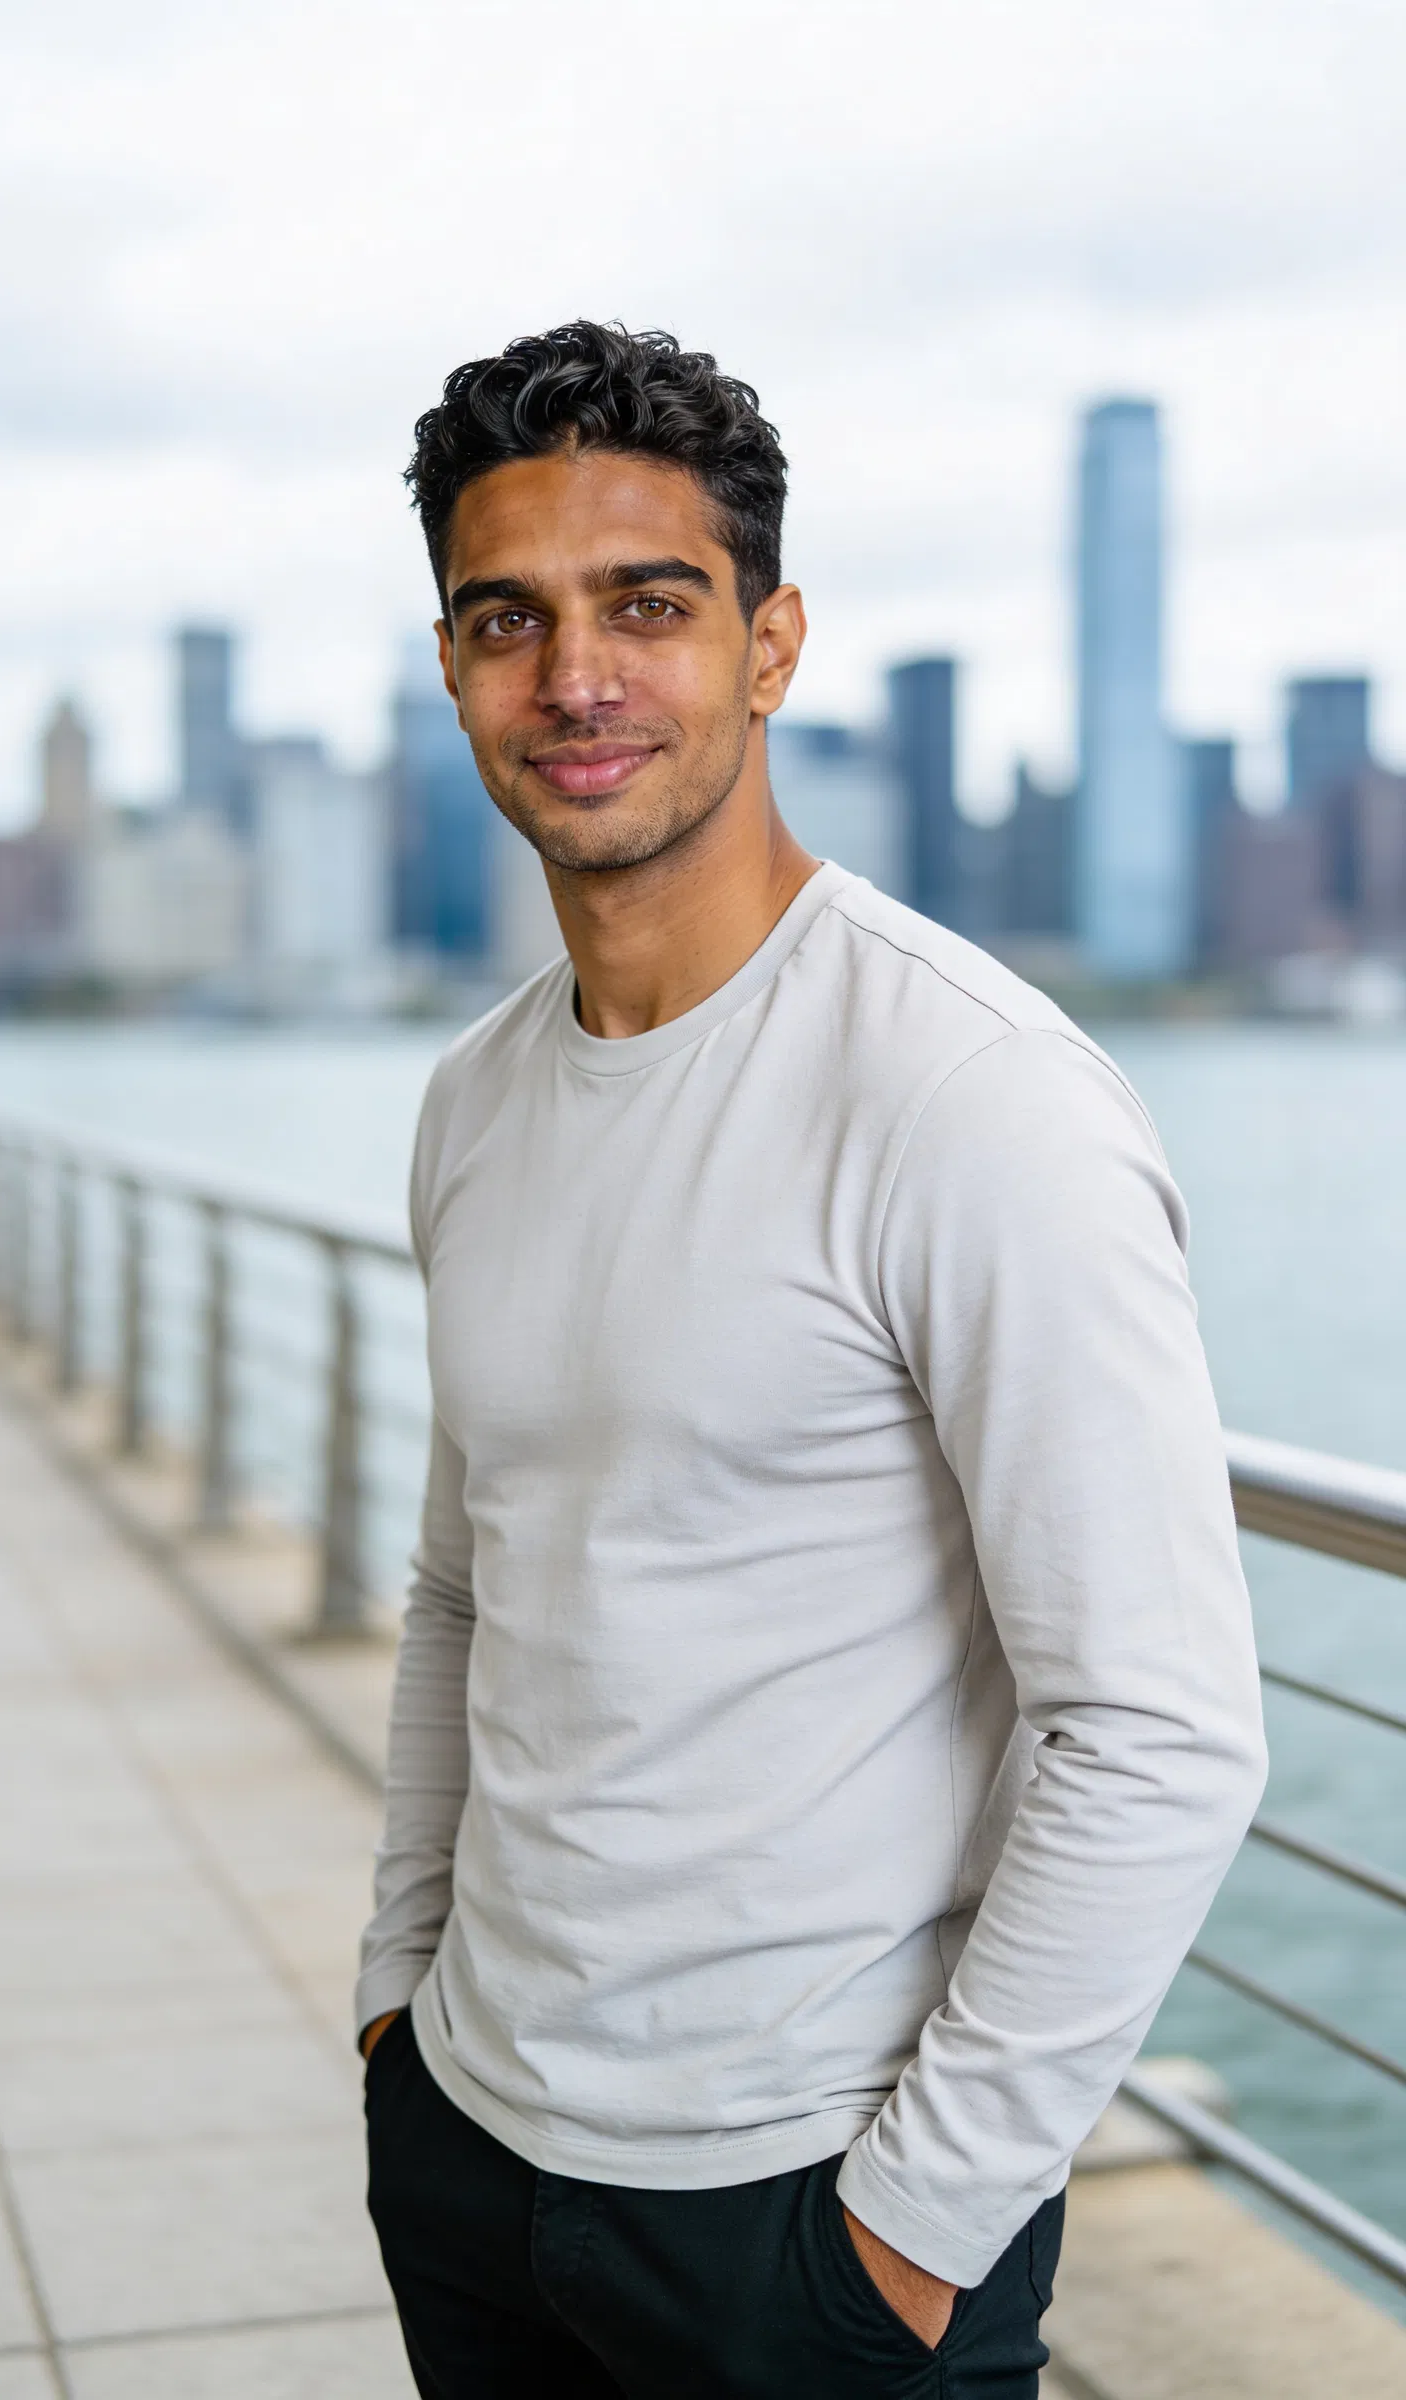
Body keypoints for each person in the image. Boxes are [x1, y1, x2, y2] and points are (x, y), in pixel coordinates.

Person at [356, 322, 1266, 2398]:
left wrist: (910, 2236)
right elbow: (464, 1584)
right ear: (448, 668)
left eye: (646, 607)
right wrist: (397, 2003)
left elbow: (1159, 1730)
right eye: (508, 618)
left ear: (767, 649)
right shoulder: (472, 1105)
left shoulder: (970, 1098)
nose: (572, 677)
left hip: (803, 2223)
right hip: (475, 2147)